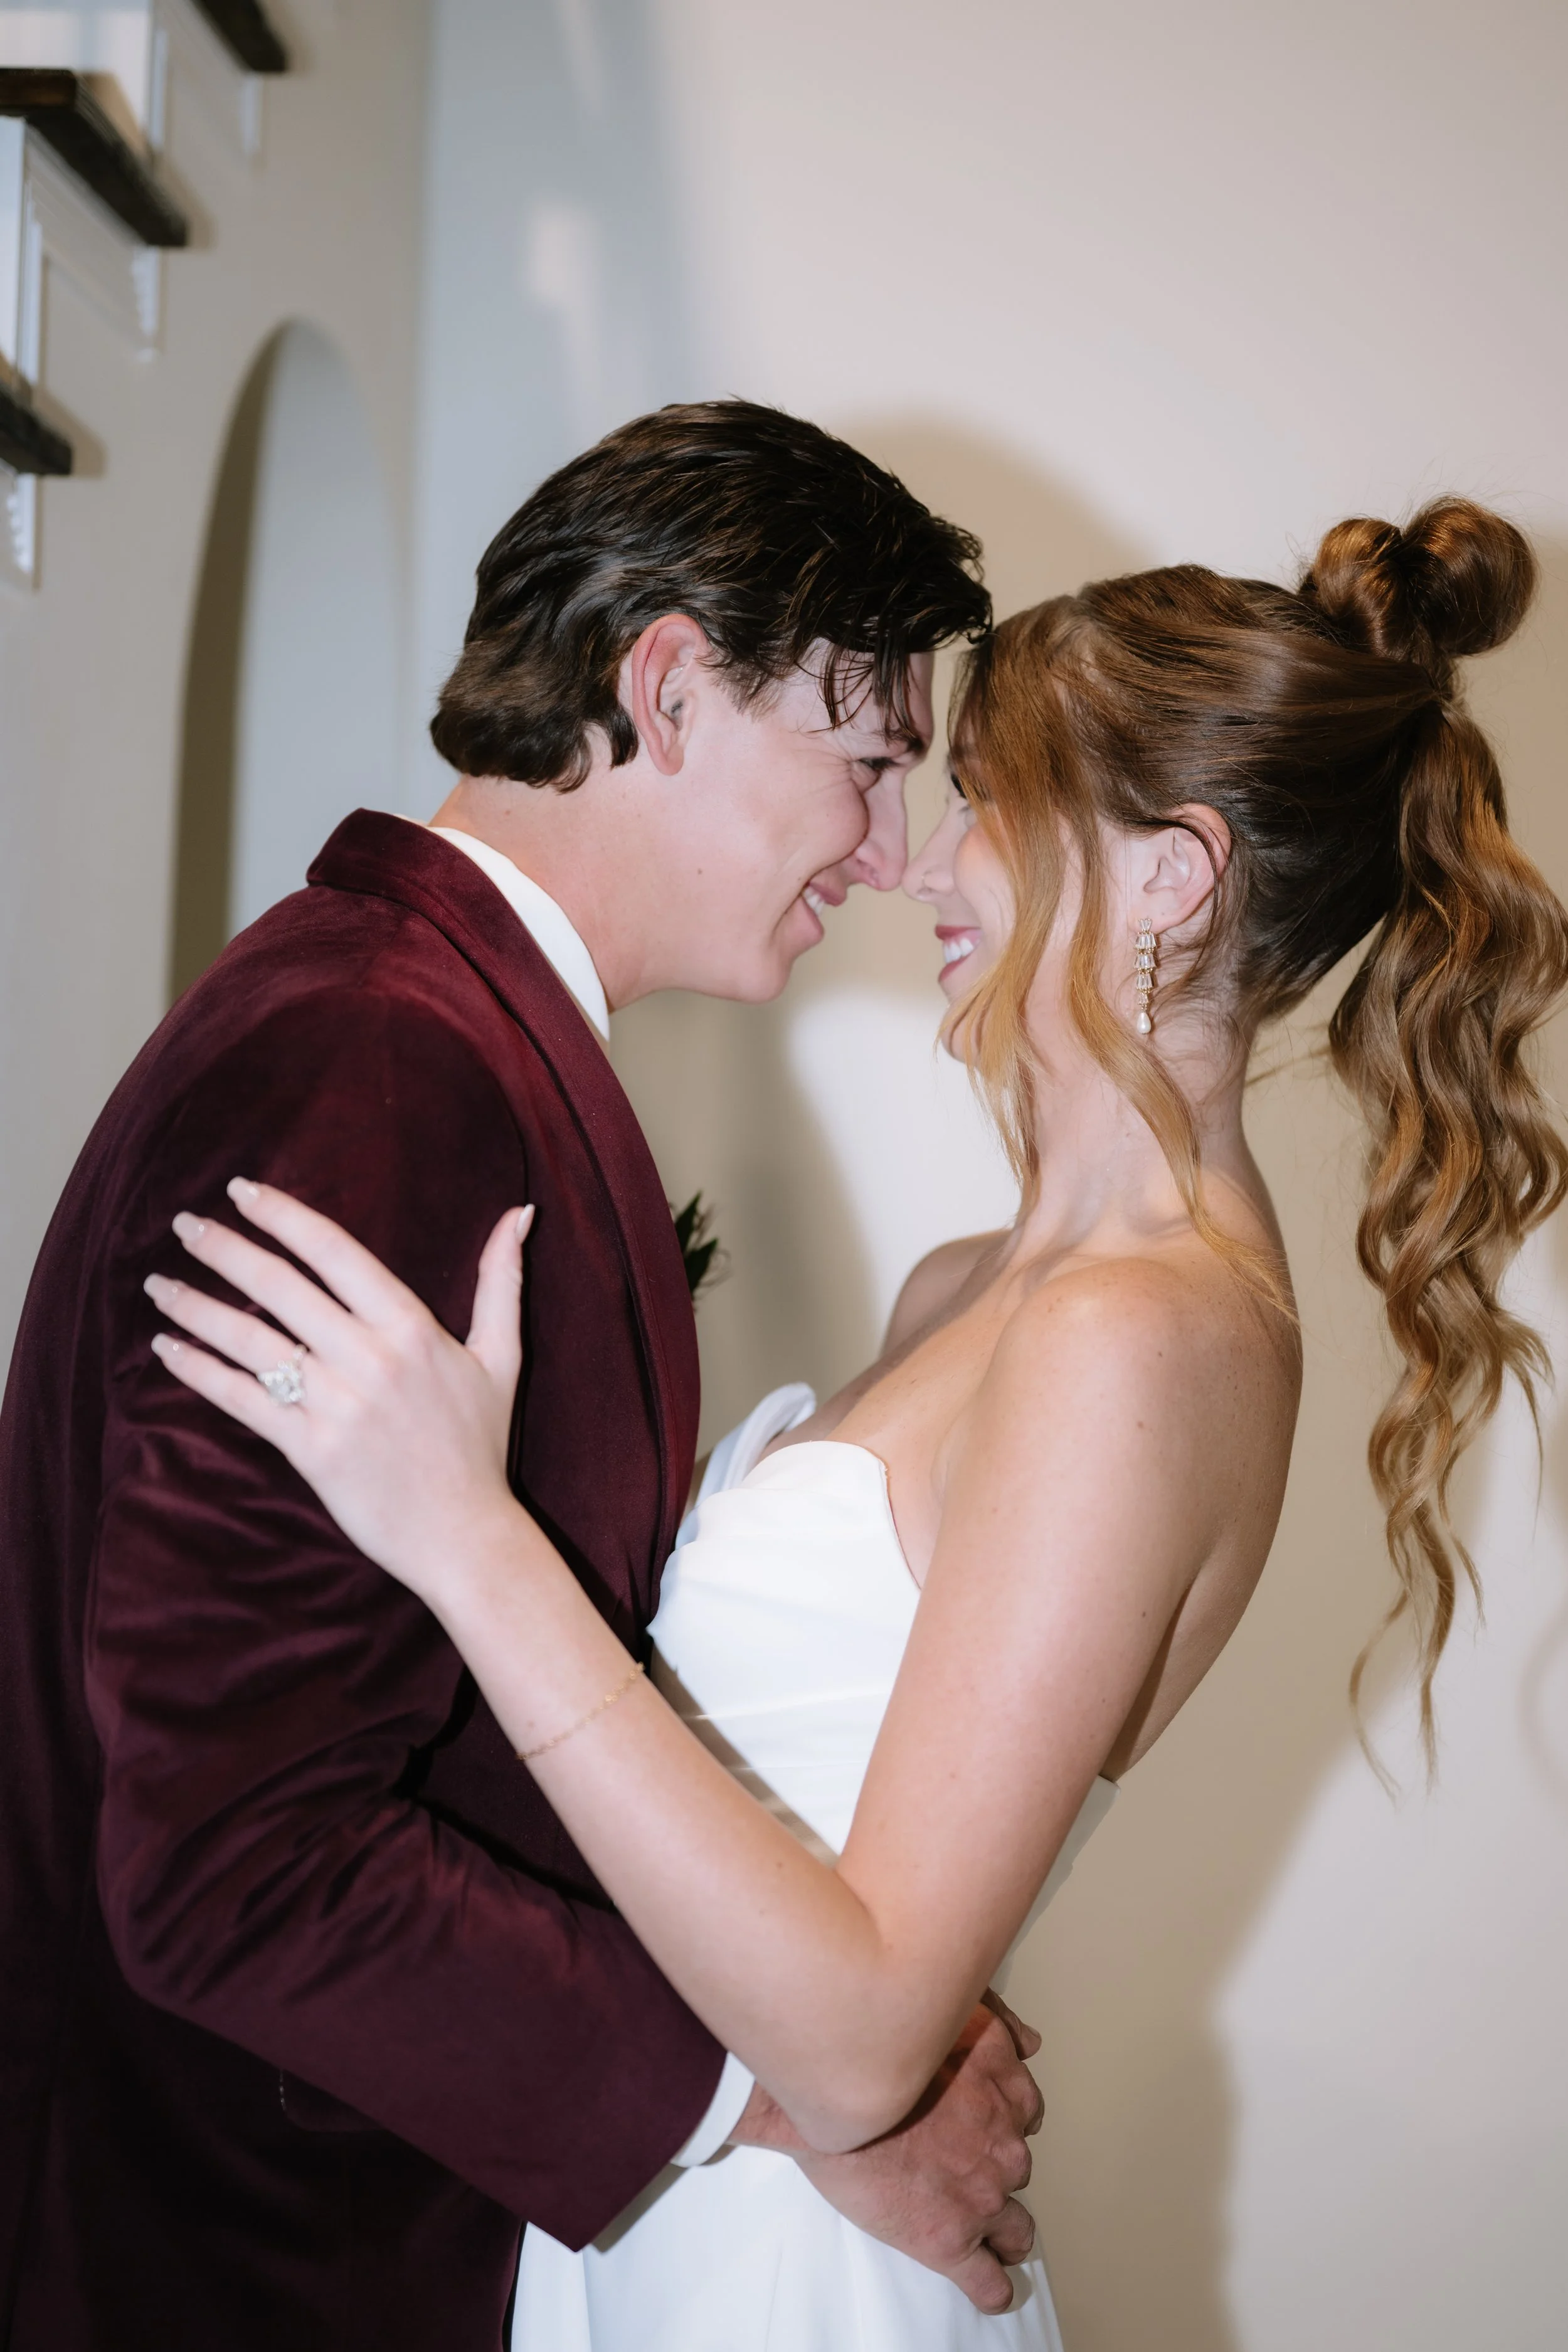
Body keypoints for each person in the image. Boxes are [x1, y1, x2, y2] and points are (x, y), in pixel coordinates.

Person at [153, 497, 1568, 2351]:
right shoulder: (966, 1287)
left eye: (984, 795)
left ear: (1169, 875)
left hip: (785, 2283)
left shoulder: (1147, 1337)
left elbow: (860, 2028)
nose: (921, 861)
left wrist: (468, 1536)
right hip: (655, 2206)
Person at [0, 401, 1060, 2352]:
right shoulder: (377, 1069)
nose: (890, 850)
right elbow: (236, 1858)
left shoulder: (421, 1022)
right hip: (248, 2255)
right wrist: (780, 2101)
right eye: (865, 757)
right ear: (667, 686)